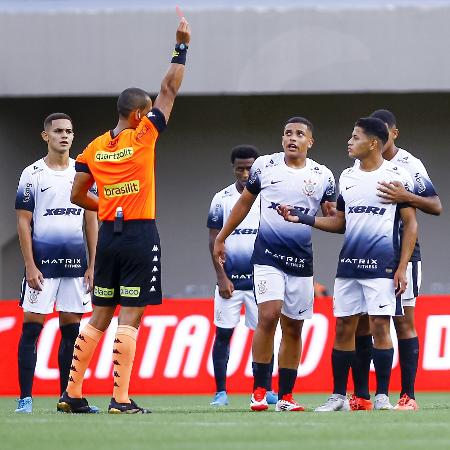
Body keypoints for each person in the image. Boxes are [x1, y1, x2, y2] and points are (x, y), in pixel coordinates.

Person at [56, 17, 191, 414]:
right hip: (138, 236)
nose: (152, 117)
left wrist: (110, 203)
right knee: (130, 317)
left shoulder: (95, 147)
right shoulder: (143, 136)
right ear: (139, 116)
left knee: (98, 315)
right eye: (148, 113)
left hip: (110, 238)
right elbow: (169, 88)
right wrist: (181, 46)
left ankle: (72, 393)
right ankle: (120, 399)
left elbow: (77, 194)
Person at [278, 117, 418, 411]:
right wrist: (303, 217)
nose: (349, 142)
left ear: (373, 143)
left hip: (383, 267)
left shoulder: (397, 175)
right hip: (349, 267)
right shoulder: (347, 177)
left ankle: (381, 396)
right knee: (344, 328)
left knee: (381, 327)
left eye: (355, 137)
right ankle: (339, 397)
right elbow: (340, 222)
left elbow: (411, 226)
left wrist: (403, 267)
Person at [214, 117, 336, 412]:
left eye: (299, 134)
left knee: (294, 328)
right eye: (287, 133)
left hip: (301, 261)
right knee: (268, 316)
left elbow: (334, 219)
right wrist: (222, 237)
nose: (292, 138)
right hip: (267, 257)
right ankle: (259, 389)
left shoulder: (323, 176)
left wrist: (305, 218)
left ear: (310, 142)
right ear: (282, 139)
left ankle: (286, 396)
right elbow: (244, 203)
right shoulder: (265, 166)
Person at [349, 109, 442, 411]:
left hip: (404, 254)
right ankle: (362, 395)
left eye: (385, 132)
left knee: (402, 322)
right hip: (366, 255)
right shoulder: (359, 163)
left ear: (393, 134)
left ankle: (408, 395)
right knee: (364, 322)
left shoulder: (409, 165)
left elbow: (435, 205)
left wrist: (406, 196)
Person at [14, 113, 98, 414]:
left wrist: (92, 264)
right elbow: (23, 223)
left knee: (71, 334)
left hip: (75, 269)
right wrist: (29, 265)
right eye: (59, 131)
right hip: (43, 269)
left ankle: (68, 397)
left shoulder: (82, 172)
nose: (64, 135)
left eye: (69, 131)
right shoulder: (32, 174)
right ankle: (25, 398)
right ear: (45, 136)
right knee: (32, 331)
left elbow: (91, 217)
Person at [207, 145, 277, 407]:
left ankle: (266, 388)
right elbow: (213, 241)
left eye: (250, 168)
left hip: (261, 281)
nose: (246, 172)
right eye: (240, 168)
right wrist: (221, 277)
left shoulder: (268, 197)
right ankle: (221, 392)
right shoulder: (221, 199)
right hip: (231, 284)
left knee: (264, 333)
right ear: (233, 168)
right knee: (223, 335)